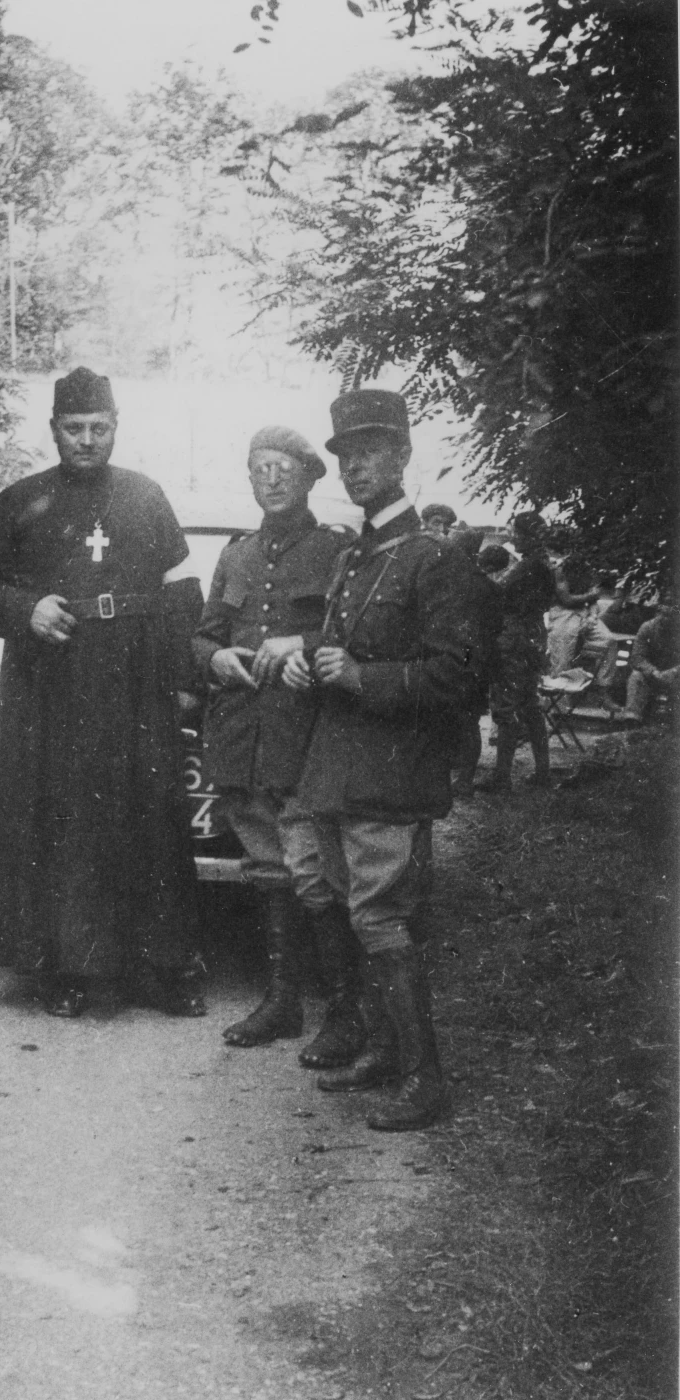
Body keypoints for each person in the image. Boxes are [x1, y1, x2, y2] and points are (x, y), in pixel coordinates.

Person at [0, 368, 206, 1019]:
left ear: (116, 427)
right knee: (62, 827)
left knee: (149, 820)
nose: (88, 440)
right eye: (75, 429)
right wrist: (25, 607)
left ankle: (162, 969)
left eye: (100, 428)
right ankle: (68, 970)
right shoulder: (21, 500)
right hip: (52, 684)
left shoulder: (145, 496)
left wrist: (184, 681)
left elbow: (183, 594)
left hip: (137, 680)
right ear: (54, 431)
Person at [283, 389, 482, 1131]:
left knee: (382, 918)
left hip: (392, 773)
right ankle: (389, 1051)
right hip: (337, 767)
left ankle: (427, 1080)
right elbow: (344, 646)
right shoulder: (357, 554)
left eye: (372, 450)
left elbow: (458, 676)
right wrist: (312, 663)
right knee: (345, 905)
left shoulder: (434, 560)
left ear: (402, 456)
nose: (357, 465)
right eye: (346, 454)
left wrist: (359, 678)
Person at [192, 425, 363, 1069]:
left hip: (306, 737)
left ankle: (346, 1012)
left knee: (313, 872)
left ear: (311, 476)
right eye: (259, 467)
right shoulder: (235, 555)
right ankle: (281, 1001)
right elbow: (201, 638)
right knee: (268, 870)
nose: (270, 479)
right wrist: (218, 659)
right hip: (242, 736)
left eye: (283, 467)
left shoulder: (336, 552)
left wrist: (306, 647)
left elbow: (355, 632)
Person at [479, 512, 556, 793]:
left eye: (515, 532)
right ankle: (543, 772)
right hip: (534, 636)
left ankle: (502, 778)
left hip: (513, 639)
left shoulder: (525, 567)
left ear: (529, 535)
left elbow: (496, 594)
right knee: (530, 706)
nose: (512, 537)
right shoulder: (545, 565)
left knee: (506, 706)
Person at [450, 530, 504, 799]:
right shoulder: (490, 587)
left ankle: (459, 781)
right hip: (478, 661)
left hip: (458, 659)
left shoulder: (452, 583)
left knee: (458, 720)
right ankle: (464, 780)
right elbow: (496, 628)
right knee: (469, 720)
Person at [546, 553, 621, 714]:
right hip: (563, 613)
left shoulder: (588, 570)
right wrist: (591, 596)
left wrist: (593, 616)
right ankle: (557, 706)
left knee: (609, 641)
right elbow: (567, 600)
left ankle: (603, 691)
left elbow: (594, 600)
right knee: (563, 654)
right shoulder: (560, 570)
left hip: (584, 612)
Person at [623, 600, 680, 722]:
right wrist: (652, 671)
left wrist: (674, 671)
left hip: (675, 675)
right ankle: (632, 719)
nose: (664, 618)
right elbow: (637, 657)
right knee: (636, 676)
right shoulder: (647, 628)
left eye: (669, 615)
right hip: (653, 674)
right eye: (661, 613)